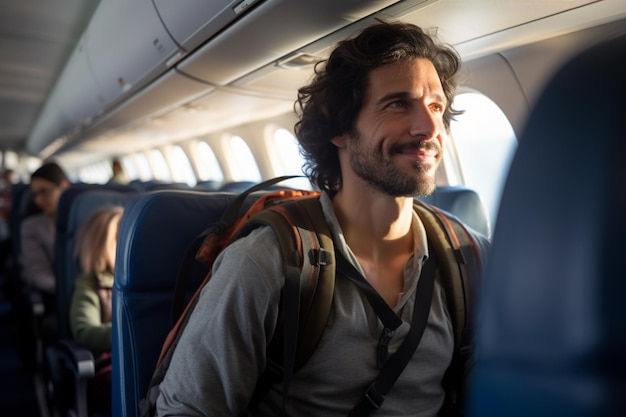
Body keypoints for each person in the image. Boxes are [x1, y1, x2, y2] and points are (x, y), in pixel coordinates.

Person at [155, 21, 490, 416]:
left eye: (436, 106)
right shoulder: (268, 263)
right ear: (339, 129)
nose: (430, 127)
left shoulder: (467, 260)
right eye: (399, 103)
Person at [69, 206, 123, 413]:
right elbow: (84, 331)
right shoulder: (90, 284)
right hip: (109, 365)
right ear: (101, 246)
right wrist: (127, 335)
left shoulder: (150, 281)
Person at [20, 162, 70, 304]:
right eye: (35, 194)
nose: (38, 200)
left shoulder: (88, 221)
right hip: (58, 297)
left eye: (44, 192)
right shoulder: (31, 227)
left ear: (64, 186)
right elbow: (37, 273)